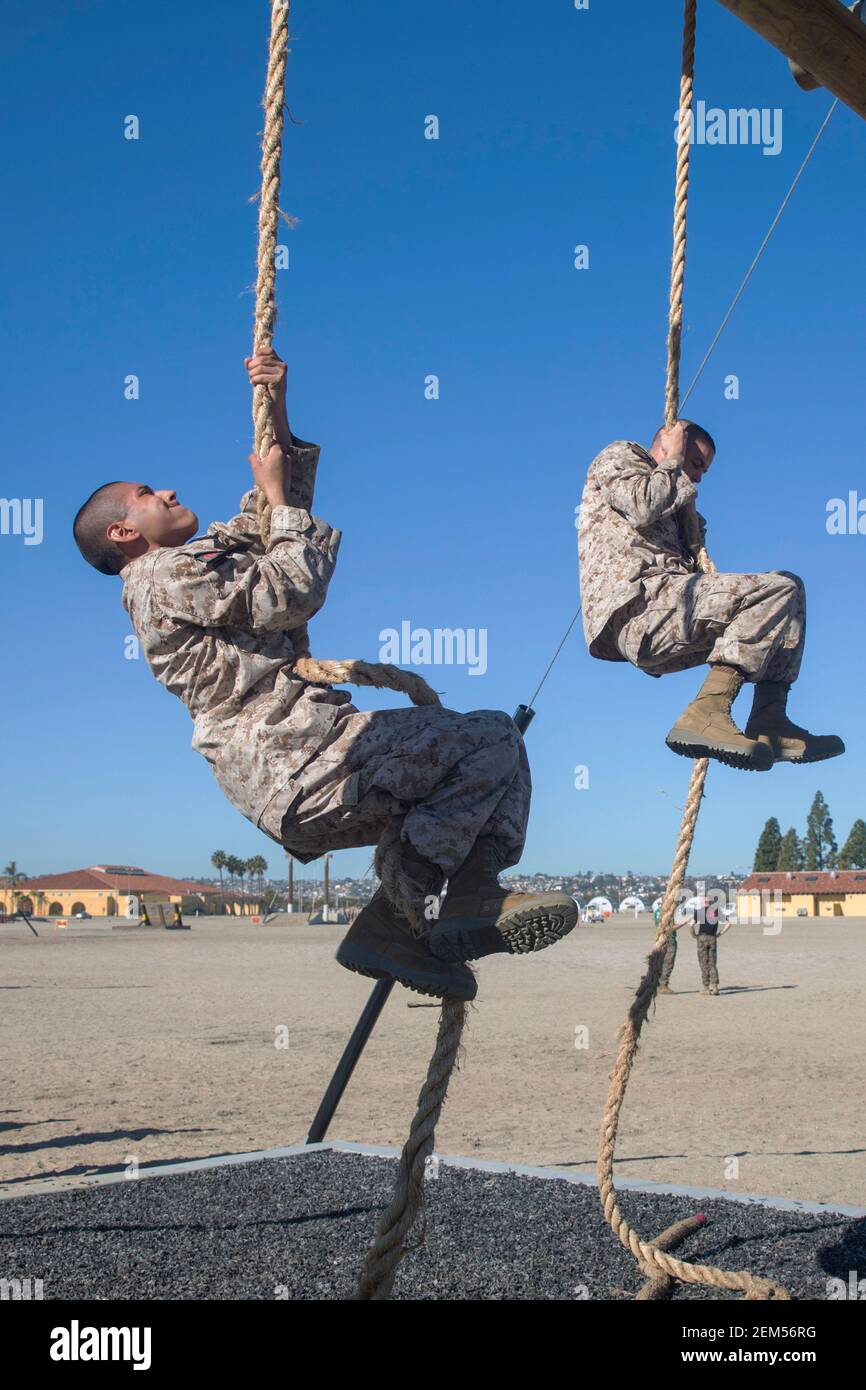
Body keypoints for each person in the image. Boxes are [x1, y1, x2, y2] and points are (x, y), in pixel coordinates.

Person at [73, 348, 577, 1003]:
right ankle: (452, 903)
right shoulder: (159, 578)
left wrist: (277, 410)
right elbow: (290, 589)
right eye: (146, 495)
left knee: (489, 758)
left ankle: (397, 926)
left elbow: (267, 522)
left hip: (303, 769)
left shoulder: (197, 563)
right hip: (292, 758)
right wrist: (278, 499)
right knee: (488, 740)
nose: (166, 492)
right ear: (123, 532)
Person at [577, 421, 844, 772]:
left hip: (668, 616)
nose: (700, 477)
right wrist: (673, 460)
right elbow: (640, 506)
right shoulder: (622, 456)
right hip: (640, 608)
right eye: (697, 463)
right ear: (670, 443)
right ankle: (707, 710)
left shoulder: (678, 501)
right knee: (779, 589)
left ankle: (769, 718)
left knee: (789, 593)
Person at [688, 898, 731, 995]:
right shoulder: (716, 911)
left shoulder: (699, 912)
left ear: (702, 902)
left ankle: (706, 987)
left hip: (702, 938)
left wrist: (694, 935)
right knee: (712, 963)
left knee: (703, 963)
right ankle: (715, 987)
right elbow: (728, 924)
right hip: (712, 938)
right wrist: (719, 934)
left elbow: (691, 925)